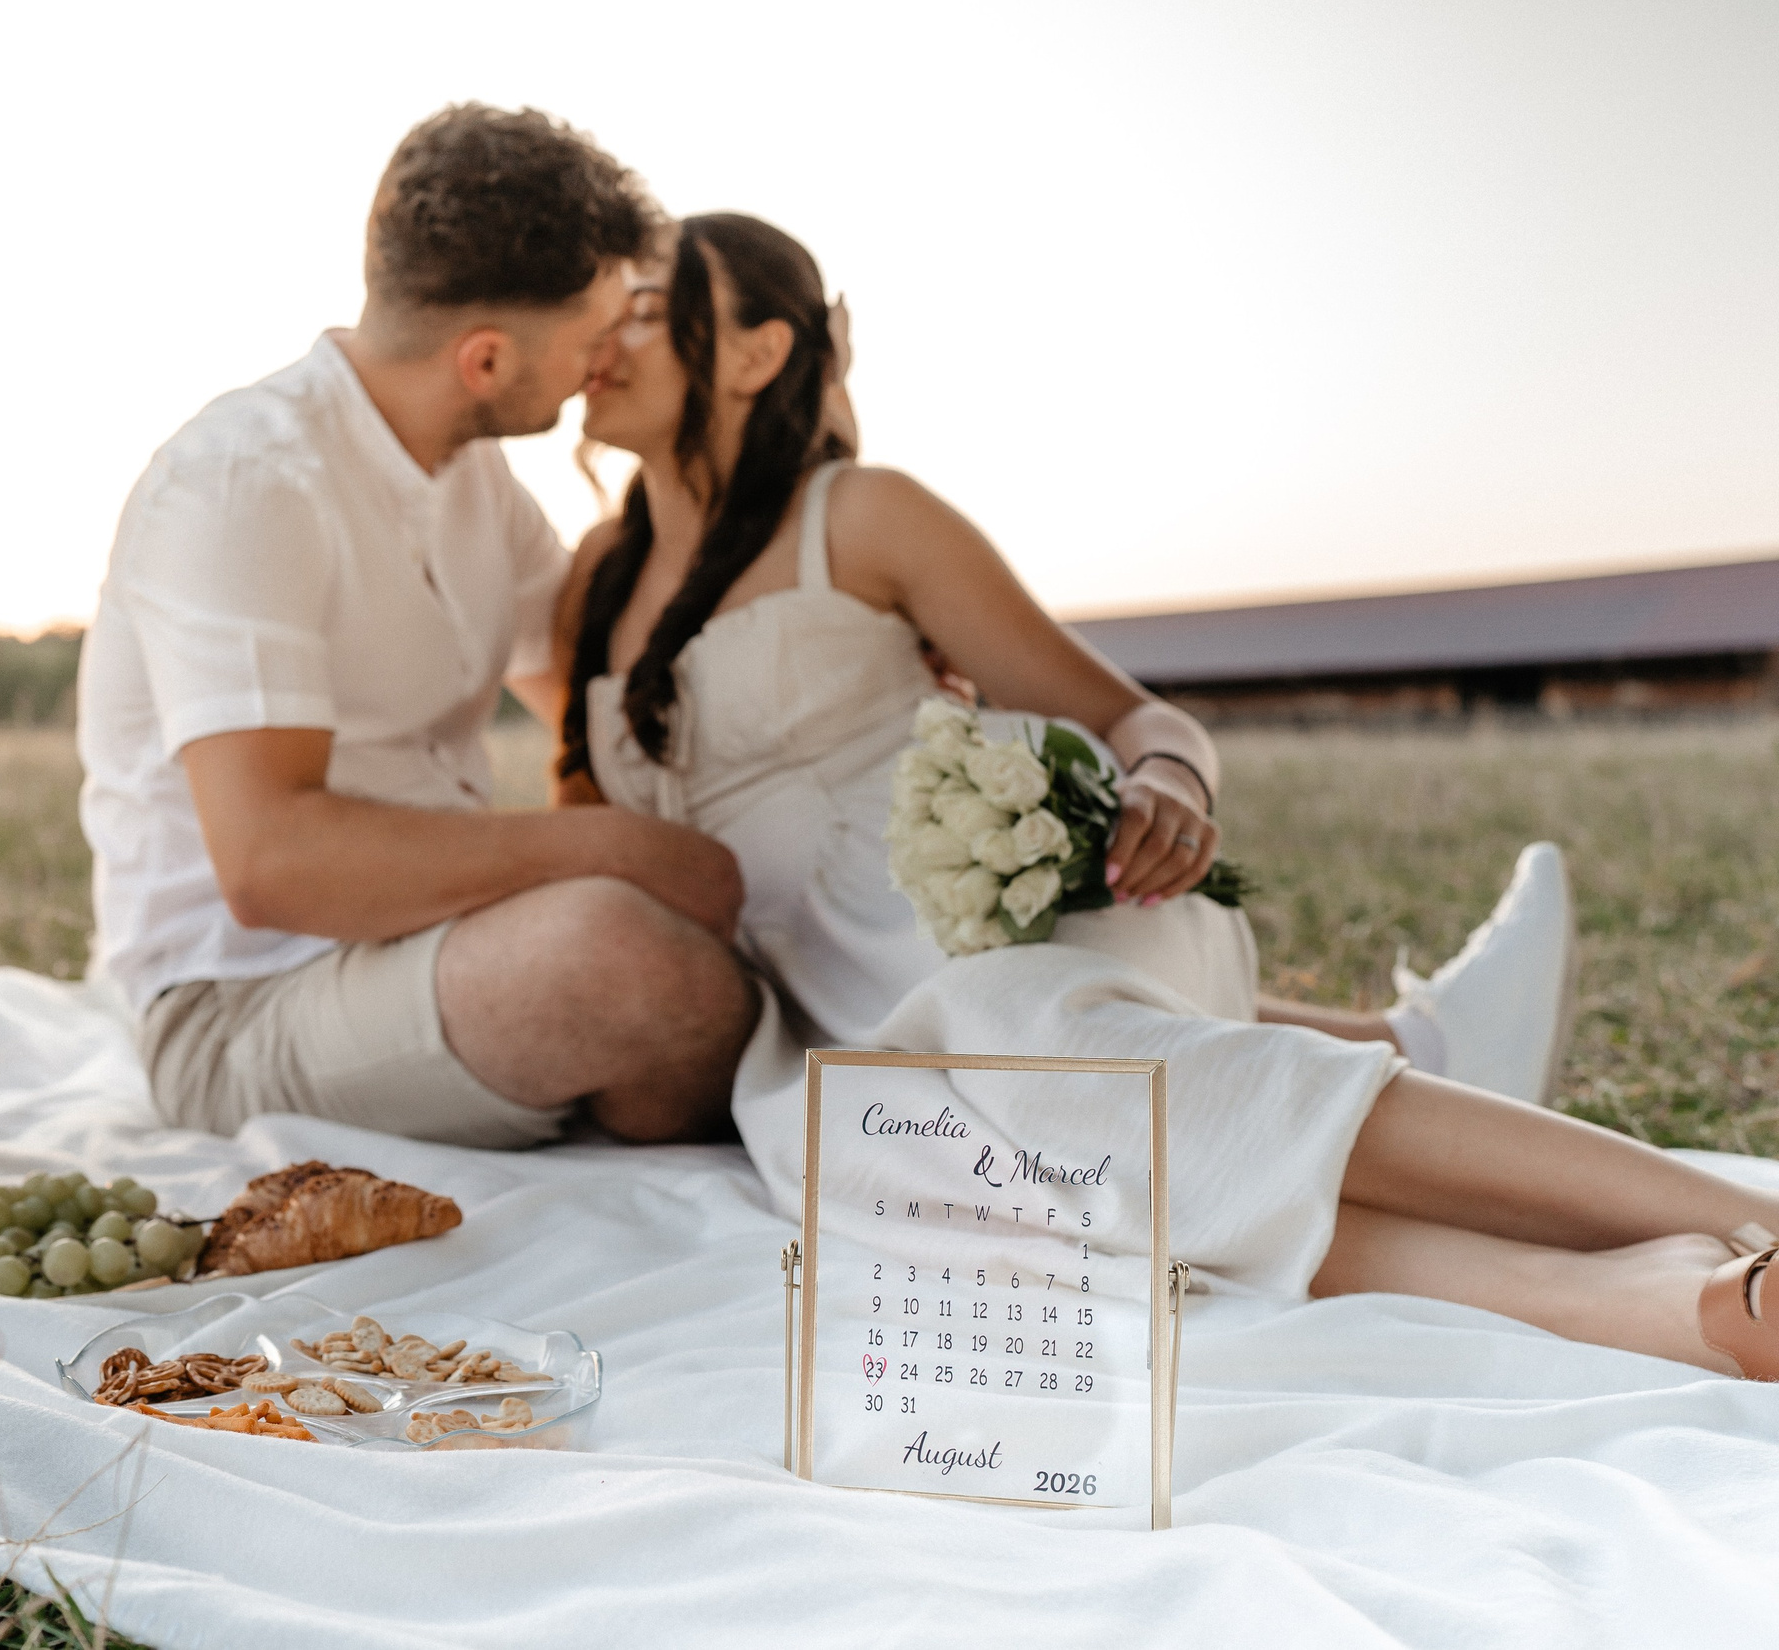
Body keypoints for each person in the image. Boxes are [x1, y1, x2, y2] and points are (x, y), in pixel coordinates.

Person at [553, 209, 1777, 1378]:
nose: (607, 333)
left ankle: (1733, 1214)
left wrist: (1169, 784)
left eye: (649, 306)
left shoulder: (858, 517)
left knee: (1034, 1052)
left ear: (758, 350)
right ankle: (1679, 1307)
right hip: (826, 1018)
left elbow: (1137, 716)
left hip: (1006, 931)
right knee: (989, 1192)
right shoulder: (591, 585)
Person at [77, 105, 757, 1151]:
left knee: (724, 910)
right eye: (591, 337)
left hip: (434, 949)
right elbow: (271, 864)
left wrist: (833, 605)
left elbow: (590, 675)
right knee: (624, 957)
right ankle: (611, 1072)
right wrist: (609, 847)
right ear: (484, 362)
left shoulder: (474, 475)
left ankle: (591, 1078)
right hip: (239, 1002)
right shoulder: (243, 485)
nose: (605, 362)